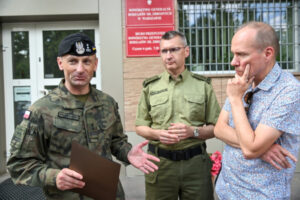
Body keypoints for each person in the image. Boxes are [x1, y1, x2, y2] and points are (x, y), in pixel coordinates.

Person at [7, 32, 160, 200]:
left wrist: (128, 153)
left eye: (86, 61)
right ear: (60, 63)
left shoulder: (107, 103)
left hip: (108, 193)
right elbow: (19, 164)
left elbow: (116, 141)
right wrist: (54, 177)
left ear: (95, 64)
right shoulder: (41, 110)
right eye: (73, 61)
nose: (80, 69)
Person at [214, 21, 300, 199]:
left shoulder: (289, 90)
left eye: (241, 54)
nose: (233, 62)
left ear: (267, 53)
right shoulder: (244, 81)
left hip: (260, 195)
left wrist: (236, 99)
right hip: (227, 190)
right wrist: (264, 149)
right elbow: (219, 128)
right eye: (233, 54)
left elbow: (250, 150)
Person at [135, 30, 221, 200]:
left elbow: (217, 128)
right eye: (164, 51)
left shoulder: (202, 86)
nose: (168, 56)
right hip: (160, 165)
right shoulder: (150, 87)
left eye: (174, 50)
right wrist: (158, 134)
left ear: (186, 51)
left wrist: (193, 132)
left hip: (195, 165)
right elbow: (139, 126)